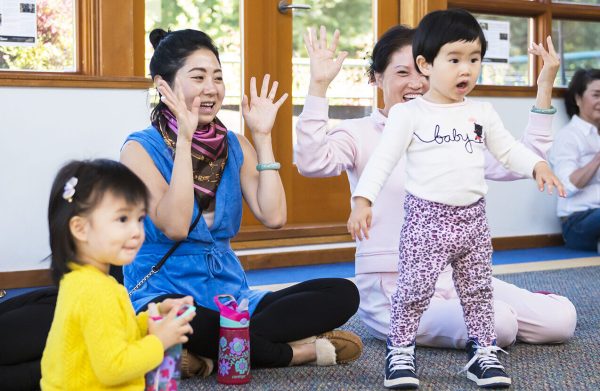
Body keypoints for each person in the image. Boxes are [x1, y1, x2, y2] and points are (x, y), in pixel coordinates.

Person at [296, 24, 577, 353]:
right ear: (376, 78)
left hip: (452, 275)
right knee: (500, 324)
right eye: (402, 72)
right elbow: (312, 162)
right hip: (392, 286)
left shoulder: (455, 131)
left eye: (424, 71)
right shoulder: (357, 133)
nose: (416, 83)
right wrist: (318, 86)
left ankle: (520, 304)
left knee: (562, 320)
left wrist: (544, 86)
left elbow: (519, 161)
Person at [120, 28, 362, 375]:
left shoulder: (235, 144)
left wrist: (262, 137)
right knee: (183, 318)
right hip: (164, 294)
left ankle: (202, 356)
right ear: (164, 86)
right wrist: (185, 140)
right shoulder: (139, 149)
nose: (211, 88)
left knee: (341, 293)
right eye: (198, 77)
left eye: (217, 77)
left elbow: (274, 216)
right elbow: (174, 227)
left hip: (232, 297)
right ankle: (296, 352)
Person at [40, 159, 196, 390]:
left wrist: (151, 318)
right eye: (123, 219)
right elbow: (114, 367)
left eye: (140, 219)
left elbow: (113, 331)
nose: (136, 231)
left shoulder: (85, 280)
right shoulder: (95, 291)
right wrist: (160, 340)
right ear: (80, 229)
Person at [550, 69, 600, 251]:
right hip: (577, 221)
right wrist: (597, 160)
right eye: (596, 95)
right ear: (578, 99)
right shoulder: (568, 136)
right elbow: (566, 187)